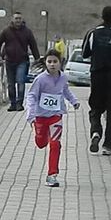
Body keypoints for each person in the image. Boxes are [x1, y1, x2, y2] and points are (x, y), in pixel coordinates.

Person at [26, 49, 80, 187]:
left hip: (56, 116)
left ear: (60, 63)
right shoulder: (40, 79)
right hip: (40, 117)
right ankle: (39, 135)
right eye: (49, 62)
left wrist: (74, 101)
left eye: (55, 62)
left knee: (55, 144)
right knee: (41, 143)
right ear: (45, 63)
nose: (52, 64)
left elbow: (66, 90)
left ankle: (52, 175)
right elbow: (31, 96)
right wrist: (31, 114)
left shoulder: (63, 78)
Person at [82, 5, 111, 156]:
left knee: (95, 108)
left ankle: (96, 131)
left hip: (96, 75)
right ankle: (108, 145)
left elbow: (84, 53)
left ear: (102, 17)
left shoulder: (92, 33)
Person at [0, 11, 41, 112]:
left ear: (22, 20)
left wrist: (37, 59)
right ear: (12, 19)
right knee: (10, 84)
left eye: (19, 18)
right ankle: (12, 103)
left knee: (20, 81)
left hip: (22, 60)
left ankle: (19, 103)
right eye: (16, 18)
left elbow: (33, 45)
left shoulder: (27, 32)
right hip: (9, 60)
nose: (18, 20)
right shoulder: (6, 31)